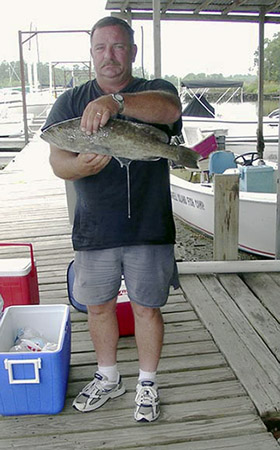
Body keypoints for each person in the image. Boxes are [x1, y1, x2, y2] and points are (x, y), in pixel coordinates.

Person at [42, 16, 182, 423]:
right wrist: (78, 167)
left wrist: (115, 103)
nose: (109, 55)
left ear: (132, 52)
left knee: (147, 308)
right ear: (91, 53)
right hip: (94, 227)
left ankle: (147, 383)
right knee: (98, 307)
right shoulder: (71, 101)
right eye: (101, 47)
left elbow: (170, 111)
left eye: (118, 46)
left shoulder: (156, 92)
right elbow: (56, 158)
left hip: (149, 225)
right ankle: (108, 376)